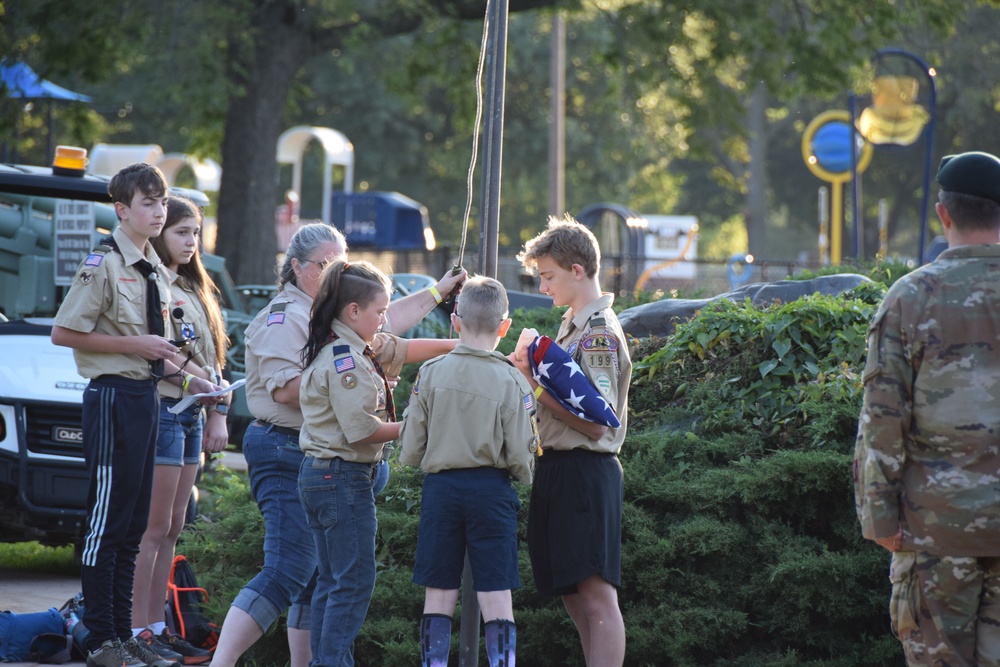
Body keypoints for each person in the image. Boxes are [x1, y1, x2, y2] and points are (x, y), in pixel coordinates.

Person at [211, 223, 465, 667]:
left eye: (340, 264)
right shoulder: (283, 317)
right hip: (289, 448)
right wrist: (350, 382)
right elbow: (285, 392)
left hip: (324, 454)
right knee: (291, 568)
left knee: (319, 579)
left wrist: (455, 322)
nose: (334, 271)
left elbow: (386, 327)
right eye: (324, 265)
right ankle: (222, 662)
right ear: (296, 268)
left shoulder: (336, 319)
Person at [51, 164, 220, 667]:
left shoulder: (154, 269)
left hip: (147, 398)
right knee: (106, 525)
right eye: (148, 203)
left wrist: (196, 383)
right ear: (122, 210)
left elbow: (159, 351)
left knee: (130, 528)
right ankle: (100, 639)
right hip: (111, 398)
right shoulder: (103, 261)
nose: (159, 212)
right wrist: (137, 344)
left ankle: (125, 636)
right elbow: (64, 333)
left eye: (162, 202)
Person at [854, 150, 1000, 666]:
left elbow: (883, 418)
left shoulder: (910, 298)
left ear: (943, 214)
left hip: (935, 526)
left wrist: (880, 516)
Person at [297, 260, 460, 667]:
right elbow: (362, 431)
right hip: (341, 477)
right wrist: (418, 422)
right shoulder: (346, 359)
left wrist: (464, 346)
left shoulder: (353, 343)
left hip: (325, 475)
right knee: (352, 584)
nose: (386, 318)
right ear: (354, 311)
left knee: (333, 581)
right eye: (381, 311)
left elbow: (402, 350)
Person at [509, 215, 632, 667]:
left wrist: (533, 385)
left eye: (548, 276)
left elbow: (596, 421)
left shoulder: (597, 330)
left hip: (586, 468)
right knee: (574, 598)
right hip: (561, 467)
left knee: (595, 595)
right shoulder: (573, 325)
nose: (543, 287)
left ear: (577, 270)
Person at [398, 276, 539, 667]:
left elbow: (411, 447)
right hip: (491, 492)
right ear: (505, 326)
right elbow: (521, 457)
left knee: (439, 592)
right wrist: (522, 473)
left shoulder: (431, 372)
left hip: (441, 491)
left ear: (455, 321)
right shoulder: (512, 380)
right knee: (497, 595)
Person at [130, 195, 228, 665]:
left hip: (193, 413)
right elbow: (160, 355)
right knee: (151, 529)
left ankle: (159, 628)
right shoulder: (155, 284)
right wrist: (200, 385)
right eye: (180, 232)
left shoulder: (196, 285)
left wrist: (218, 411)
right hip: (165, 411)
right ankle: (139, 630)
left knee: (173, 527)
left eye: (194, 232)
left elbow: (213, 357)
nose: (190, 241)